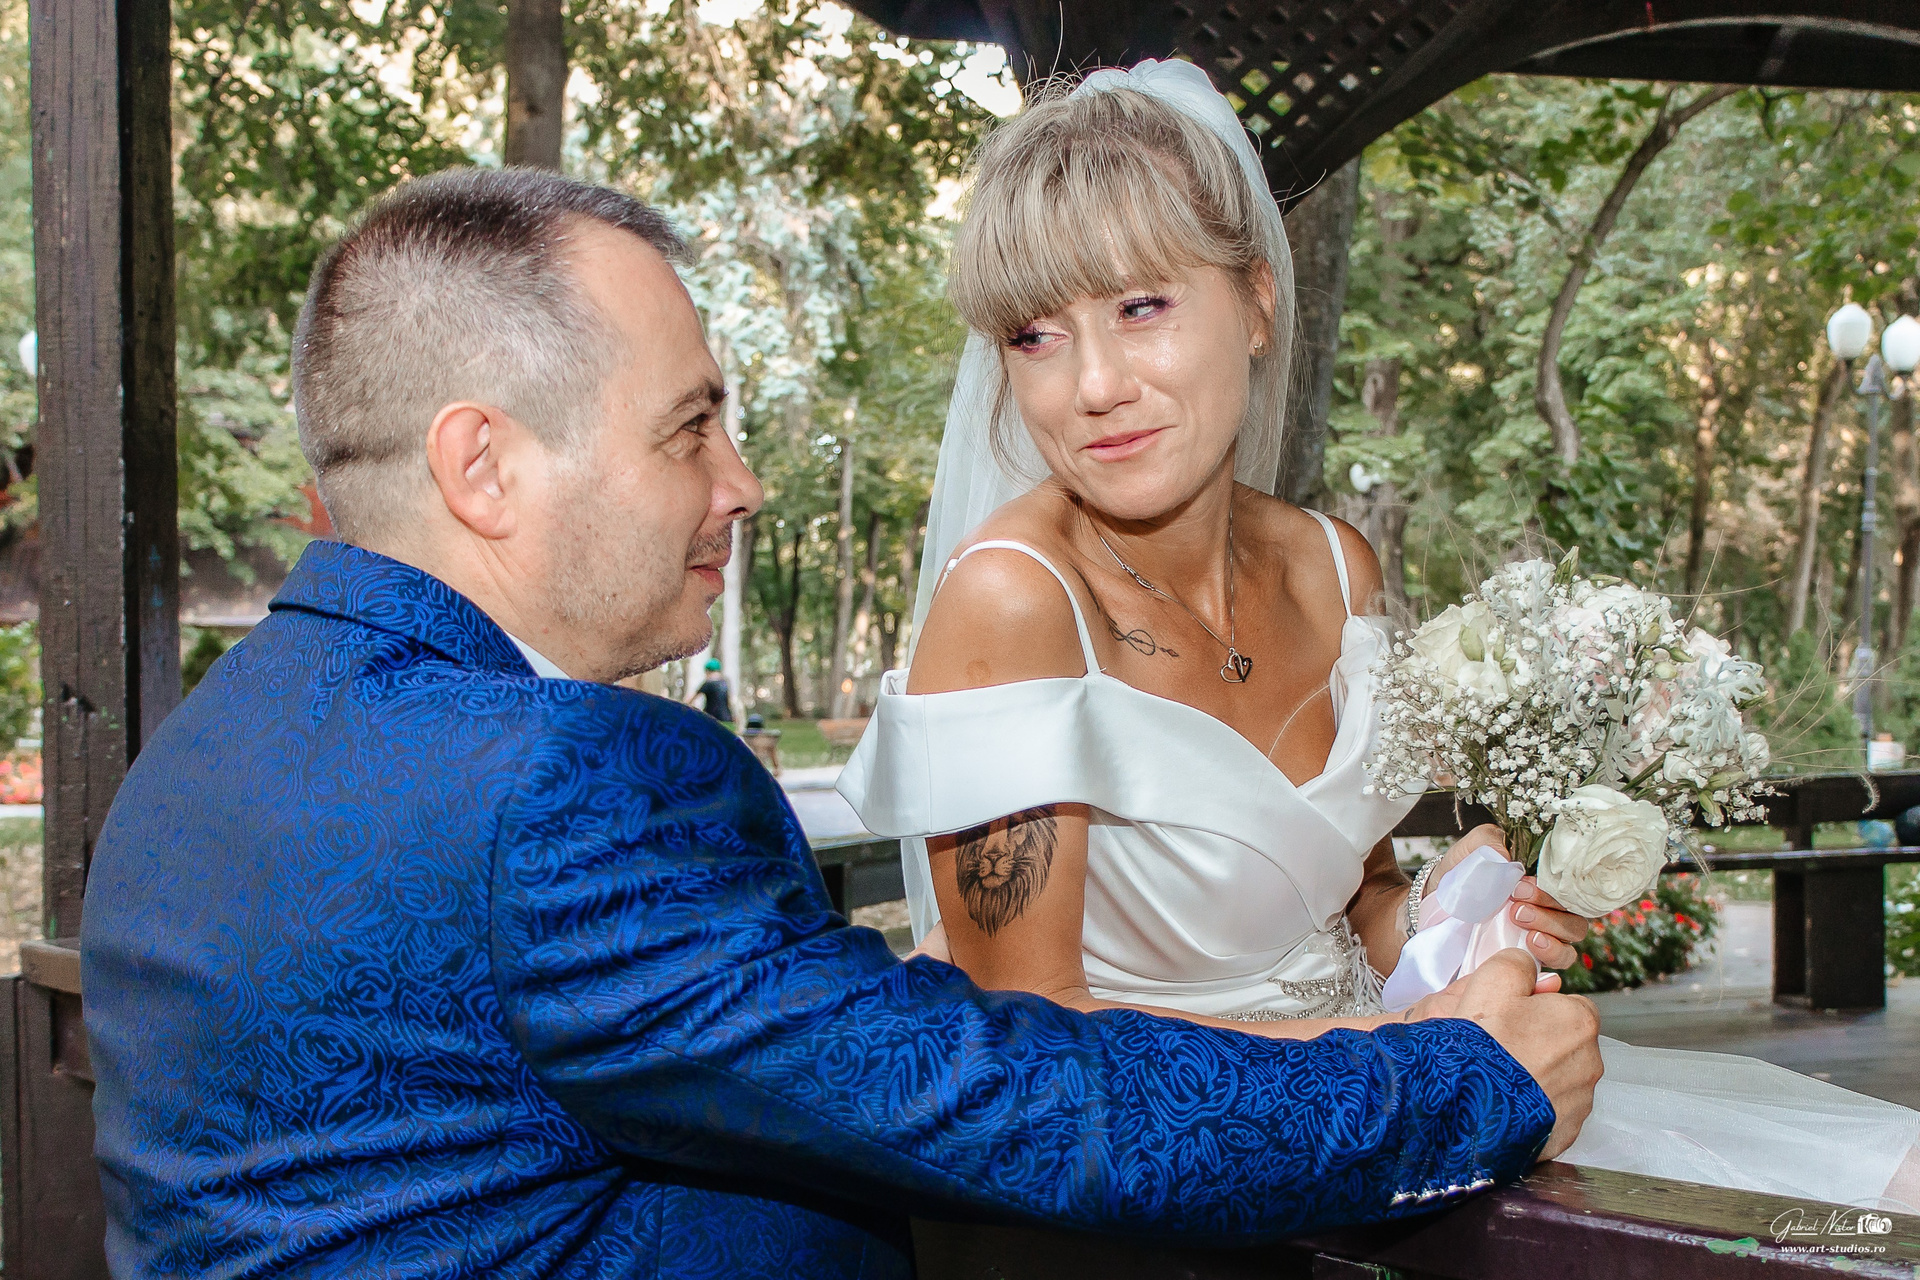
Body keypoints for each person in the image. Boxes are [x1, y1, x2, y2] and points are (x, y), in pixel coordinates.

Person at [80, 166, 1593, 1280]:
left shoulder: (207, 750)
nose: (739, 483)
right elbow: (996, 1104)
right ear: (484, 468)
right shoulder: (551, 784)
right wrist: (1454, 1081)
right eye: (691, 427)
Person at [839, 61, 1920, 1212]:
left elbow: (1355, 910)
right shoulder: (1014, 602)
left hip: (1418, 1090)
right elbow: (1034, 1053)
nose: (1093, 384)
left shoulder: (1335, 564)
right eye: (1035, 334)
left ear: (1257, 301)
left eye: (1140, 306)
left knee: (1876, 1181)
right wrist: (1433, 1050)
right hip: (1191, 1176)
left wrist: (1463, 907)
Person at [689, 656, 733, 722]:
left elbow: (691, 698)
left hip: (712, 719)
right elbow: (730, 701)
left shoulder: (708, 683)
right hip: (727, 719)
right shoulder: (725, 682)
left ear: (707, 671)